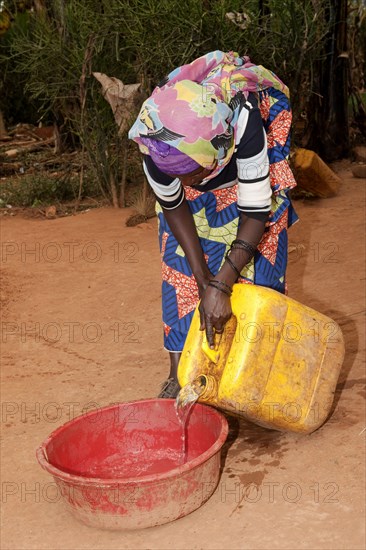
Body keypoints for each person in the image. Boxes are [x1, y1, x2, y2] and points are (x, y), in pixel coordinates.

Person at [129, 50, 298, 398]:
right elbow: (175, 206)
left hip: (248, 180)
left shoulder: (245, 125)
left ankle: (261, 372)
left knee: (261, 270)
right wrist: (203, 278)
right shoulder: (157, 145)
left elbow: (255, 212)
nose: (189, 185)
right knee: (179, 274)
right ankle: (179, 374)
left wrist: (222, 285)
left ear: (215, 155)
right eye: (180, 177)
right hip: (192, 150)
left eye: (193, 176)